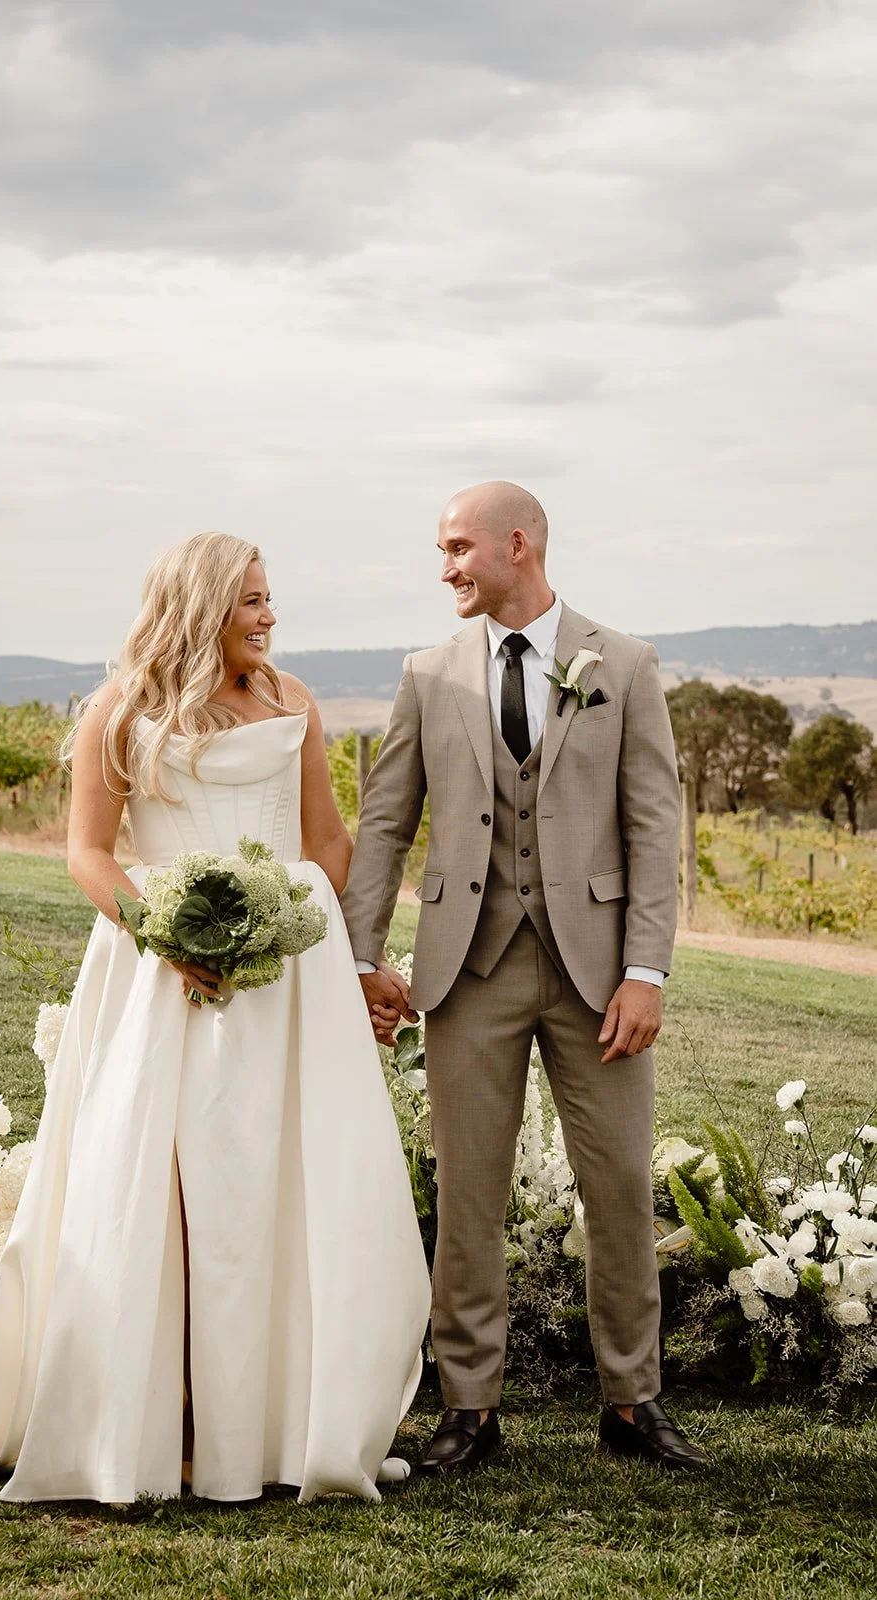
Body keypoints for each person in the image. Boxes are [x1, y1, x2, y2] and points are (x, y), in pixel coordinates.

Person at [0, 532, 430, 1505]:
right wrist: (165, 934)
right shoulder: (120, 710)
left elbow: (327, 839)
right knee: (160, 1175)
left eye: (268, 597)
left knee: (280, 1179)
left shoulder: (293, 701)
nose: (268, 615)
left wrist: (292, 929)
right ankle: (150, 1418)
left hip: (286, 979)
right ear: (202, 604)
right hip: (163, 975)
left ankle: (273, 1424)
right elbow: (88, 851)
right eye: (251, 599)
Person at [343, 482, 709, 1473]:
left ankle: (631, 1403)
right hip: (467, 967)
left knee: (621, 1186)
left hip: (597, 976)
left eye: (458, 547)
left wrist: (645, 970)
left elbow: (649, 825)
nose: (446, 567)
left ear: (518, 544)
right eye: (440, 550)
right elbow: (384, 822)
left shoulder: (622, 663)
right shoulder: (428, 673)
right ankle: (469, 1405)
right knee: (467, 1193)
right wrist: (360, 954)